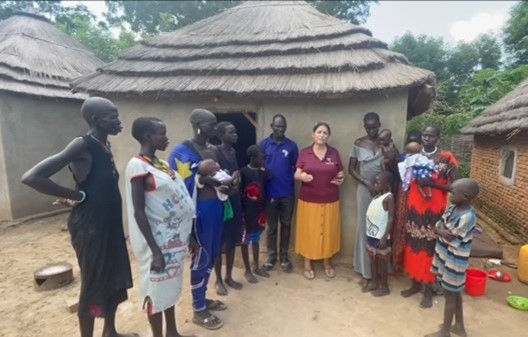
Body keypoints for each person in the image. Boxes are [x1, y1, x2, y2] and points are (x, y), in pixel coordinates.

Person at [21, 97, 135, 337]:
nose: (119, 121)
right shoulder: (82, 145)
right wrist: (77, 195)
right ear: (96, 120)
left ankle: (110, 331)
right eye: (112, 116)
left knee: (112, 277)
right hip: (90, 227)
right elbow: (32, 177)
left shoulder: (105, 145)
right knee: (93, 284)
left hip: (108, 224)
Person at [125, 117, 195, 337]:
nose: (166, 137)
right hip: (156, 244)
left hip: (173, 241)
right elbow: (138, 211)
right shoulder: (138, 166)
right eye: (162, 133)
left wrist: (189, 235)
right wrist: (155, 251)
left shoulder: (161, 164)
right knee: (155, 291)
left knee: (170, 288)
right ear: (147, 136)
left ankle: (172, 332)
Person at [168, 109, 227, 330]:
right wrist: (202, 177)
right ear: (197, 124)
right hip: (199, 211)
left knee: (211, 254)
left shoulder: (212, 149)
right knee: (200, 256)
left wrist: (225, 182)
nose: (215, 128)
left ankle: (203, 297)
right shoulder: (182, 151)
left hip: (216, 208)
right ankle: (198, 308)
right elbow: (176, 184)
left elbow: (216, 175)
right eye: (211, 124)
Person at [401, 125, 459, 309]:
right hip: (415, 209)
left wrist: (433, 186)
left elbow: (456, 186)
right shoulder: (414, 157)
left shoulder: (446, 158)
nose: (426, 139)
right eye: (424, 135)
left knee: (429, 249)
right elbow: (407, 181)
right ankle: (414, 283)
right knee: (413, 246)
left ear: (438, 138)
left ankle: (427, 290)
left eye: (431, 136)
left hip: (433, 212)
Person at [425, 178, 480, 337]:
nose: (449, 194)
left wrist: (440, 231)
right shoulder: (452, 209)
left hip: (455, 262)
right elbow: (439, 227)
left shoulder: (468, 217)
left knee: (450, 294)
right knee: (454, 293)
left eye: (453, 192)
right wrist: (440, 231)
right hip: (446, 257)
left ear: (465, 196)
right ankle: (459, 326)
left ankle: (445, 332)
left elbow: (451, 238)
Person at [295, 122, 344, 280]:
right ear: (313, 134)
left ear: (328, 136)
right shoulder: (305, 153)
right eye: (319, 132)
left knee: (328, 231)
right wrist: (302, 176)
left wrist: (340, 180)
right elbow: (296, 174)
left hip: (330, 199)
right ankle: (307, 263)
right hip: (308, 199)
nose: (322, 135)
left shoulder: (334, 153)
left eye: (325, 133)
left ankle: (327, 261)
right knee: (309, 231)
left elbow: (341, 174)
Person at [348, 112, 384, 289]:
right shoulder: (358, 143)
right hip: (364, 191)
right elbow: (351, 169)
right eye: (368, 127)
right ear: (364, 126)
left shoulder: (385, 142)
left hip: (382, 192)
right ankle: (366, 272)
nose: (371, 130)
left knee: (380, 230)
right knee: (364, 229)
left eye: (374, 127)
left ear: (379, 124)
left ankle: (379, 272)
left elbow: (393, 165)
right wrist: (367, 182)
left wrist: (381, 184)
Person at [259, 114, 298, 273]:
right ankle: (271, 256)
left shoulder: (291, 146)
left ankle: (284, 257)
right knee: (272, 227)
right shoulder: (263, 145)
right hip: (270, 194)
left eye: (283, 126)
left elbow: (296, 166)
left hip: (287, 193)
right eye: (278, 126)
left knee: (287, 225)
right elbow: (258, 165)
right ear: (271, 126)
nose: (280, 129)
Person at [213, 121, 244, 296]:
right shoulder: (215, 152)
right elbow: (216, 177)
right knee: (220, 242)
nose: (235, 135)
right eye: (231, 133)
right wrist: (232, 180)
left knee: (232, 240)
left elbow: (236, 173)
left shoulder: (232, 152)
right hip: (223, 201)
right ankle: (218, 279)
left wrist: (236, 179)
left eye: (235, 132)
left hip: (235, 199)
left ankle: (229, 277)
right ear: (221, 135)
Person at [239, 145, 272, 282]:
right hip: (247, 212)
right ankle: (247, 270)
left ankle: (256, 267)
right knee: (245, 241)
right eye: (261, 157)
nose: (263, 159)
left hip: (259, 211)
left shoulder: (263, 172)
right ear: (252, 157)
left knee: (256, 239)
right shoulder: (243, 172)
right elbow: (239, 192)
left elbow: (269, 177)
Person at [392, 130, 422, 274]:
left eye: (416, 141)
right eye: (410, 141)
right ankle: (397, 264)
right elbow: (397, 176)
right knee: (400, 227)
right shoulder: (402, 157)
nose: (413, 143)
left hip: (418, 195)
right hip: (403, 194)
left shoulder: (424, 159)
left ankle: (413, 266)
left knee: (416, 229)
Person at [364, 171, 395, 297]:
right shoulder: (376, 196)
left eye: (378, 182)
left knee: (382, 262)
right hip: (371, 235)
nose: (375, 185)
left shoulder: (389, 197)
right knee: (372, 260)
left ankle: (385, 287)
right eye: (374, 182)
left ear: (387, 185)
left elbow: (391, 218)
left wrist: (384, 237)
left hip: (380, 237)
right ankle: (374, 283)